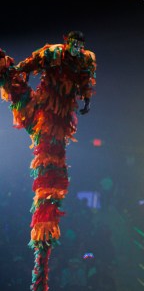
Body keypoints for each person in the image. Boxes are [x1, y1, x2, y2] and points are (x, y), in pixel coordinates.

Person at [0, 31, 96, 291]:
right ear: (68, 43)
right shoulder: (54, 52)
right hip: (41, 114)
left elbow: (87, 81)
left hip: (57, 125)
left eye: (80, 45)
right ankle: (40, 270)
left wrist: (86, 99)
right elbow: (33, 62)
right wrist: (18, 70)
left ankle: (40, 269)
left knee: (50, 184)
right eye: (73, 44)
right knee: (14, 84)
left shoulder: (86, 61)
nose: (76, 49)